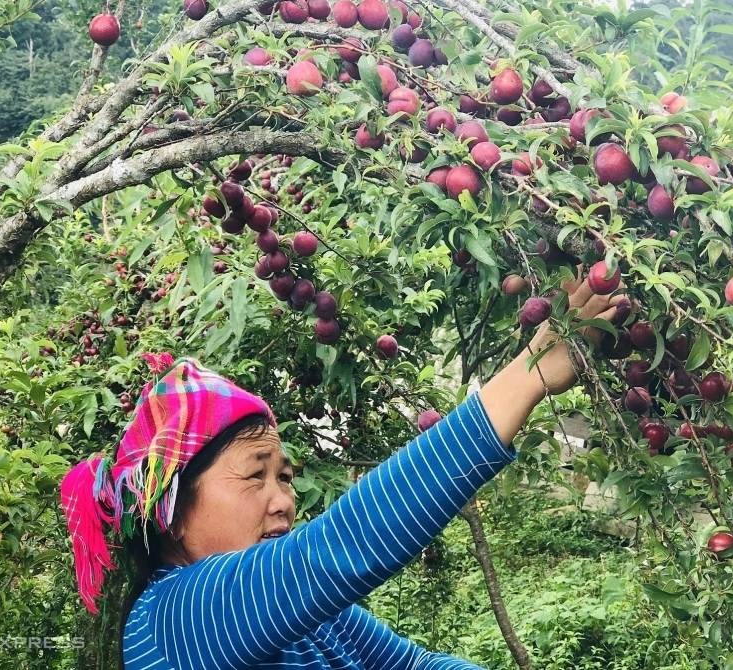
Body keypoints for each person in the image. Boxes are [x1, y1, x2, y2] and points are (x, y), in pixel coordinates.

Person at [60, 273, 623, 670]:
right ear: (173, 513)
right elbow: (329, 553)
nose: (283, 500)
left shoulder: (315, 621)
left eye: (283, 476)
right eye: (254, 476)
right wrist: (528, 376)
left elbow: (409, 666)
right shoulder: (169, 624)